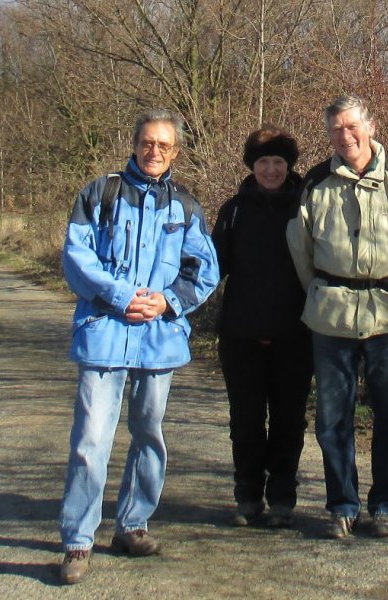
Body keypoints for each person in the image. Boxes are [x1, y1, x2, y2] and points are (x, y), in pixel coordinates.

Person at [58, 109, 220, 584]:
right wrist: (121, 295)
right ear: (134, 144)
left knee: (148, 436)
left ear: (176, 152)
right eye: (148, 143)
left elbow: (204, 270)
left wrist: (167, 303)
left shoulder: (186, 206)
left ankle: (132, 524)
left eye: (164, 145)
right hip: (104, 333)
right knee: (91, 441)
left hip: (159, 339)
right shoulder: (99, 193)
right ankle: (77, 541)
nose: (155, 152)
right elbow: (76, 256)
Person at [286, 94, 388, 539]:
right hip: (331, 318)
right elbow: (302, 248)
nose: (345, 136)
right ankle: (342, 505)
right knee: (333, 418)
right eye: (336, 129)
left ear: (370, 126)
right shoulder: (315, 182)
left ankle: (386, 506)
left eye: (352, 126)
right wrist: (320, 291)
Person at [211, 126, 313, 528]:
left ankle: (283, 497)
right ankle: (248, 495)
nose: (271, 170)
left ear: (289, 166)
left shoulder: (307, 207)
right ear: (252, 167)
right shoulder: (233, 211)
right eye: (263, 162)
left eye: (278, 162)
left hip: (296, 333)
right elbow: (212, 268)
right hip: (241, 334)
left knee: (290, 418)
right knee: (246, 419)